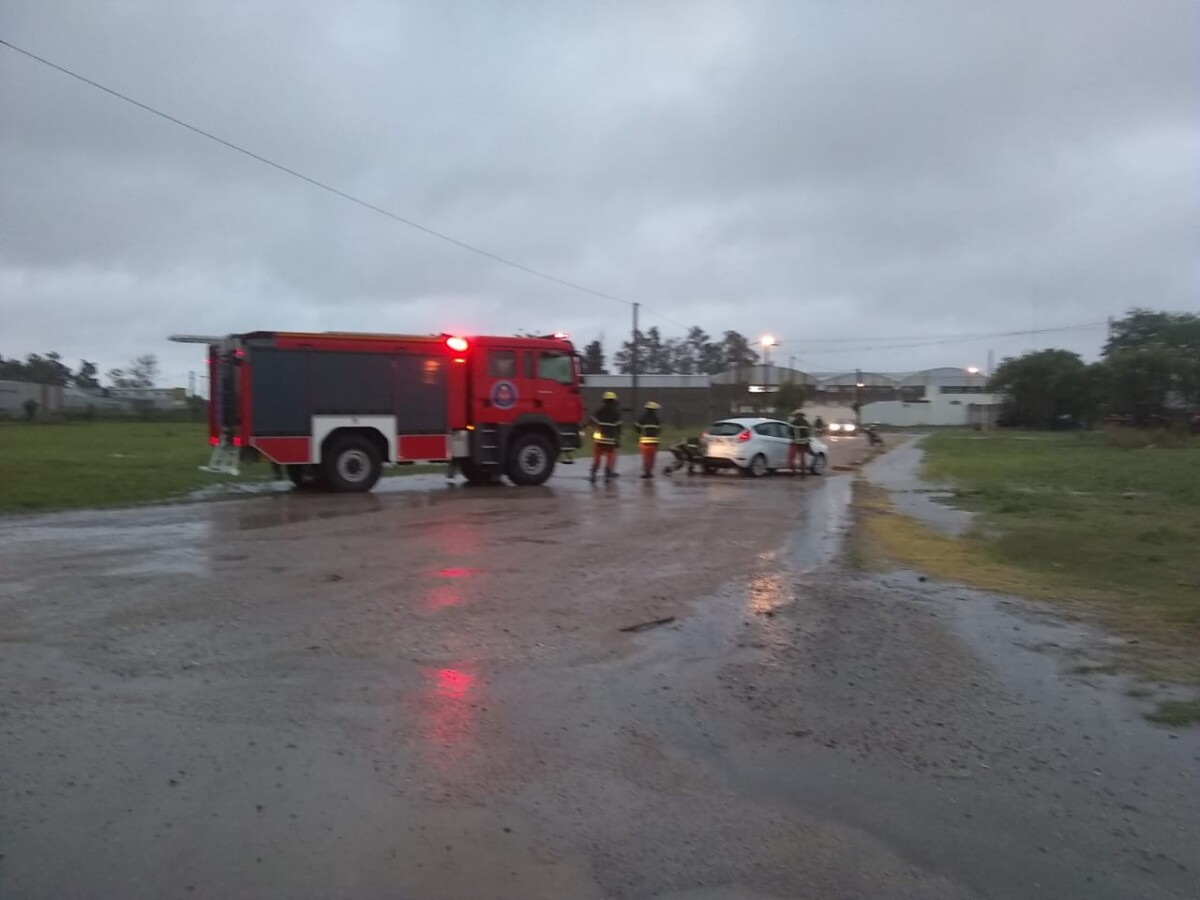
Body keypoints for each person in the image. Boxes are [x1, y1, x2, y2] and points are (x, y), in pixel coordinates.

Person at [589, 391, 622, 482]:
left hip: (599, 439)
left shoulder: (600, 411)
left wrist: (587, 427)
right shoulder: (616, 413)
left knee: (597, 456)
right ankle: (607, 474)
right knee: (609, 456)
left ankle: (594, 472)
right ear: (614, 401)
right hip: (610, 440)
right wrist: (617, 440)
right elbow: (618, 429)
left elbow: (592, 421)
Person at [636, 401, 662, 479]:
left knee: (645, 457)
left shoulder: (642, 418)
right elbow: (659, 430)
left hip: (644, 441)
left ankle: (646, 472)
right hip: (654, 442)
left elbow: (637, 428)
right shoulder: (657, 419)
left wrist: (640, 434)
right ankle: (649, 472)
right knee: (651, 457)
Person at [788, 408, 811, 476]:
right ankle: (803, 472)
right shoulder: (806, 423)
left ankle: (793, 471)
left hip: (795, 442)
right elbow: (808, 433)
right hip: (804, 443)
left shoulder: (794, 422)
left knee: (791, 458)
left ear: (796, 415)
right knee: (802, 458)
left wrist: (792, 437)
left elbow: (790, 432)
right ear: (802, 415)